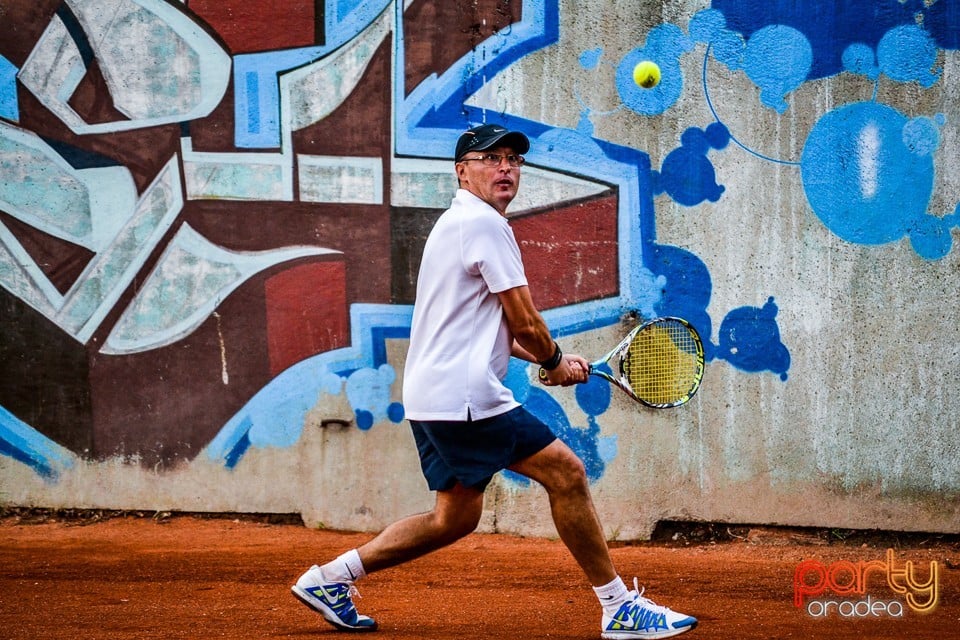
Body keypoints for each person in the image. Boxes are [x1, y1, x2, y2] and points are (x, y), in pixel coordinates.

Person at [292, 123, 698, 639]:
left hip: (430, 396)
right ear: (462, 172)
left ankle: (330, 579)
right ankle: (619, 607)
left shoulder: (455, 224)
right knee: (567, 474)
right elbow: (525, 321)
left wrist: (552, 358)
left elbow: (496, 330)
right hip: (465, 399)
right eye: (490, 158)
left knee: (454, 518)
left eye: (512, 159)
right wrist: (551, 361)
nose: (505, 167)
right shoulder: (485, 226)